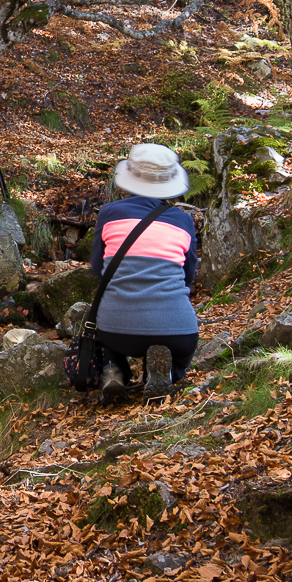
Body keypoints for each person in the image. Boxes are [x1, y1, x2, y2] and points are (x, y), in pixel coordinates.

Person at [92, 143, 199, 401]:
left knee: (104, 325)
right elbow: (189, 275)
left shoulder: (109, 213)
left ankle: (114, 369)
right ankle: (168, 372)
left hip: (116, 331)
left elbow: (97, 268)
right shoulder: (184, 220)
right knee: (181, 352)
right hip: (178, 330)